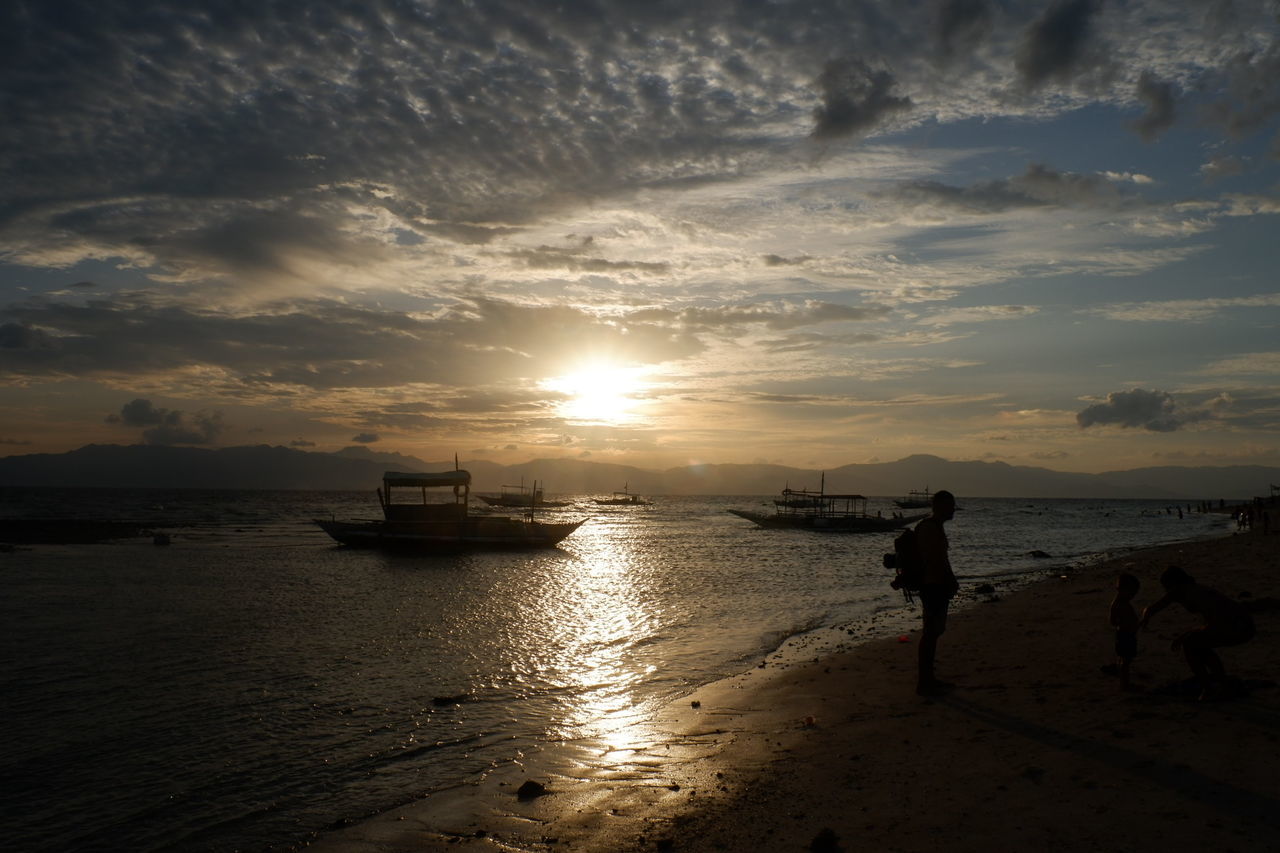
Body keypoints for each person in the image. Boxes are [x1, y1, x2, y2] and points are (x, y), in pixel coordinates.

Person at [1139, 565, 1255, 700]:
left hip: (1239, 625)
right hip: (1234, 622)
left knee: (1191, 644)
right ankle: (1220, 684)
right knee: (1198, 644)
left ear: (1175, 583)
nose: (1166, 591)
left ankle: (1210, 688)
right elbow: (1154, 608)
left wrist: (1184, 636)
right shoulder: (1185, 591)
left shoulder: (1193, 593)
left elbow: (1215, 622)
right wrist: (1146, 618)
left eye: (1167, 587)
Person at [914, 490, 959, 696]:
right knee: (931, 632)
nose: (952, 509)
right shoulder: (930, 528)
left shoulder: (935, 527)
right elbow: (936, 559)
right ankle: (924, 682)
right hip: (932, 585)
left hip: (936, 584)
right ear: (939, 506)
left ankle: (928, 679)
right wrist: (949, 579)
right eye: (950, 505)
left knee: (935, 631)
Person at [1108, 573, 1140, 691]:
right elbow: (1112, 621)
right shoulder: (1119, 604)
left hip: (1126, 634)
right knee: (1126, 661)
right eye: (1132, 593)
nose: (1133, 596)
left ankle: (1124, 682)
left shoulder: (1120, 602)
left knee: (1124, 659)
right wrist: (1124, 624)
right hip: (1125, 635)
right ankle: (1124, 685)